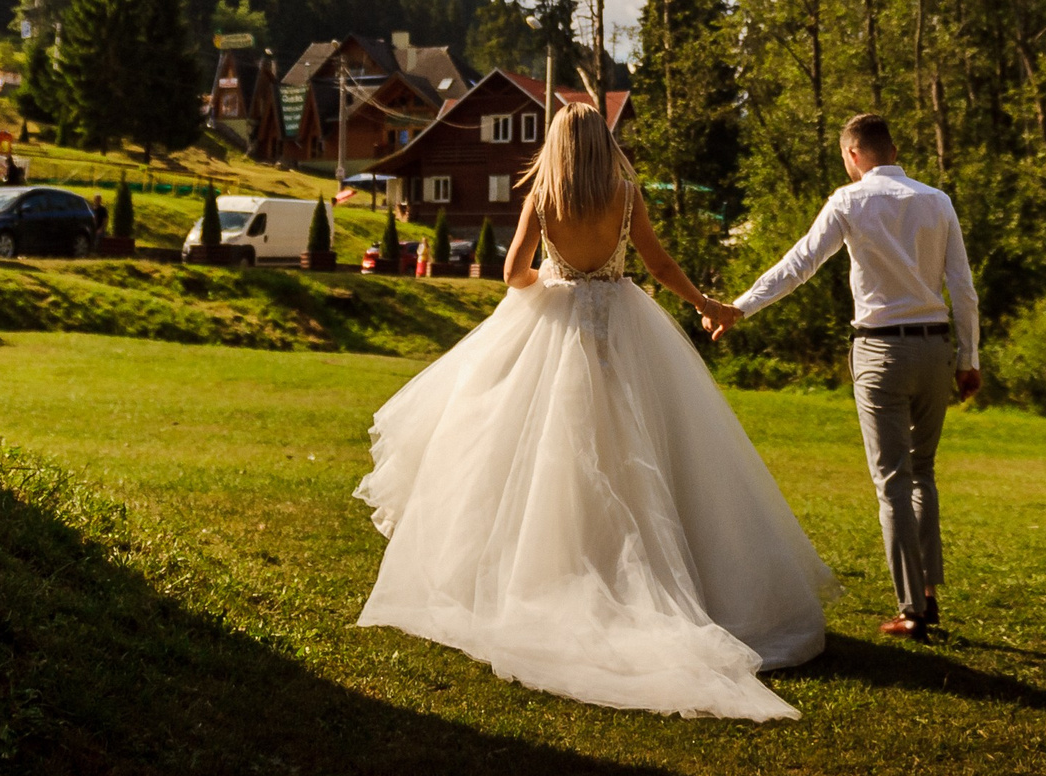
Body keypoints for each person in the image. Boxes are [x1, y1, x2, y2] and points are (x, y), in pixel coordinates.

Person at [354, 103, 833, 721]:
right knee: (639, 453)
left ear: (557, 143)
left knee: (544, 454)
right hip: (623, 329)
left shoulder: (545, 194)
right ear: (603, 143)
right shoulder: (624, 194)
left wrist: (548, 287)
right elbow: (658, 265)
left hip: (556, 327)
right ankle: (646, 575)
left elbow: (512, 272)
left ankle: (551, 570)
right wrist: (706, 303)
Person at [713, 112, 980, 643]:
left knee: (892, 482)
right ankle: (927, 595)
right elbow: (963, 287)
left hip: (881, 352)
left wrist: (739, 308)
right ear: (893, 147)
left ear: (853, 154)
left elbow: (799, 265)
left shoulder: (848, 201)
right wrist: (968, 358)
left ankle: (911, 609)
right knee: (922, 474)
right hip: (934, 348)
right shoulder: (937, 201)